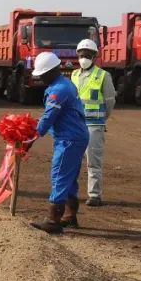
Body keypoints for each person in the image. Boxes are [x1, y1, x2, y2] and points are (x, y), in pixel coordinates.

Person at [28, 51, 90, 234]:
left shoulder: (58, 90)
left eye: (42, 74)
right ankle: (69, 217)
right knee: (69, 177)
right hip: (75, 136)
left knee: (60, 175)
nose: (40, 78)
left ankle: (53, 220)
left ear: (51, 71)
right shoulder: (65, 84)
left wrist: (31, 137)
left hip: (68, 139)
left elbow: (49, 117)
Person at [71, 39, 116, 206]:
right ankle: (71, 193)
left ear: (94, 56)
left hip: (94, 125)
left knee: (93, 161)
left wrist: (102, 118)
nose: (84, 58)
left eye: (88, 55)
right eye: (81, 55)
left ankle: (94, 195)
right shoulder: (74, 75)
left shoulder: (103, 75)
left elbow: (110, 101)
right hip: (76, 125)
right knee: (73, 160)